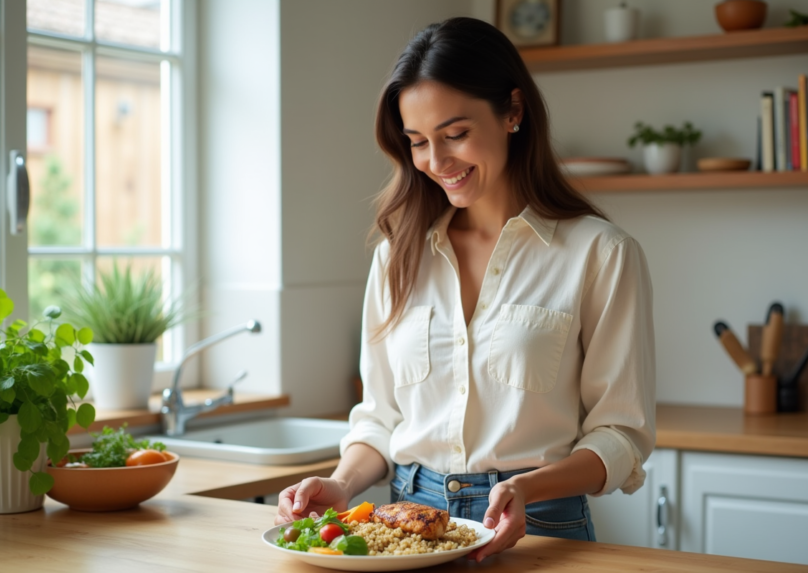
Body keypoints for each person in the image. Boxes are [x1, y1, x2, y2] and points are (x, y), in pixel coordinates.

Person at [276, 16, 655, 561]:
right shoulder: (395, 257)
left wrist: (528, 487)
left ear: (514, 112)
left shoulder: (601, 254)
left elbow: (621, 434)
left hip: (542, 524)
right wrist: (341, 484)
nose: (436, 161)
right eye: (417, 142)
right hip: (404, 522)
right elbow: (381, 417)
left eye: (455, 134)